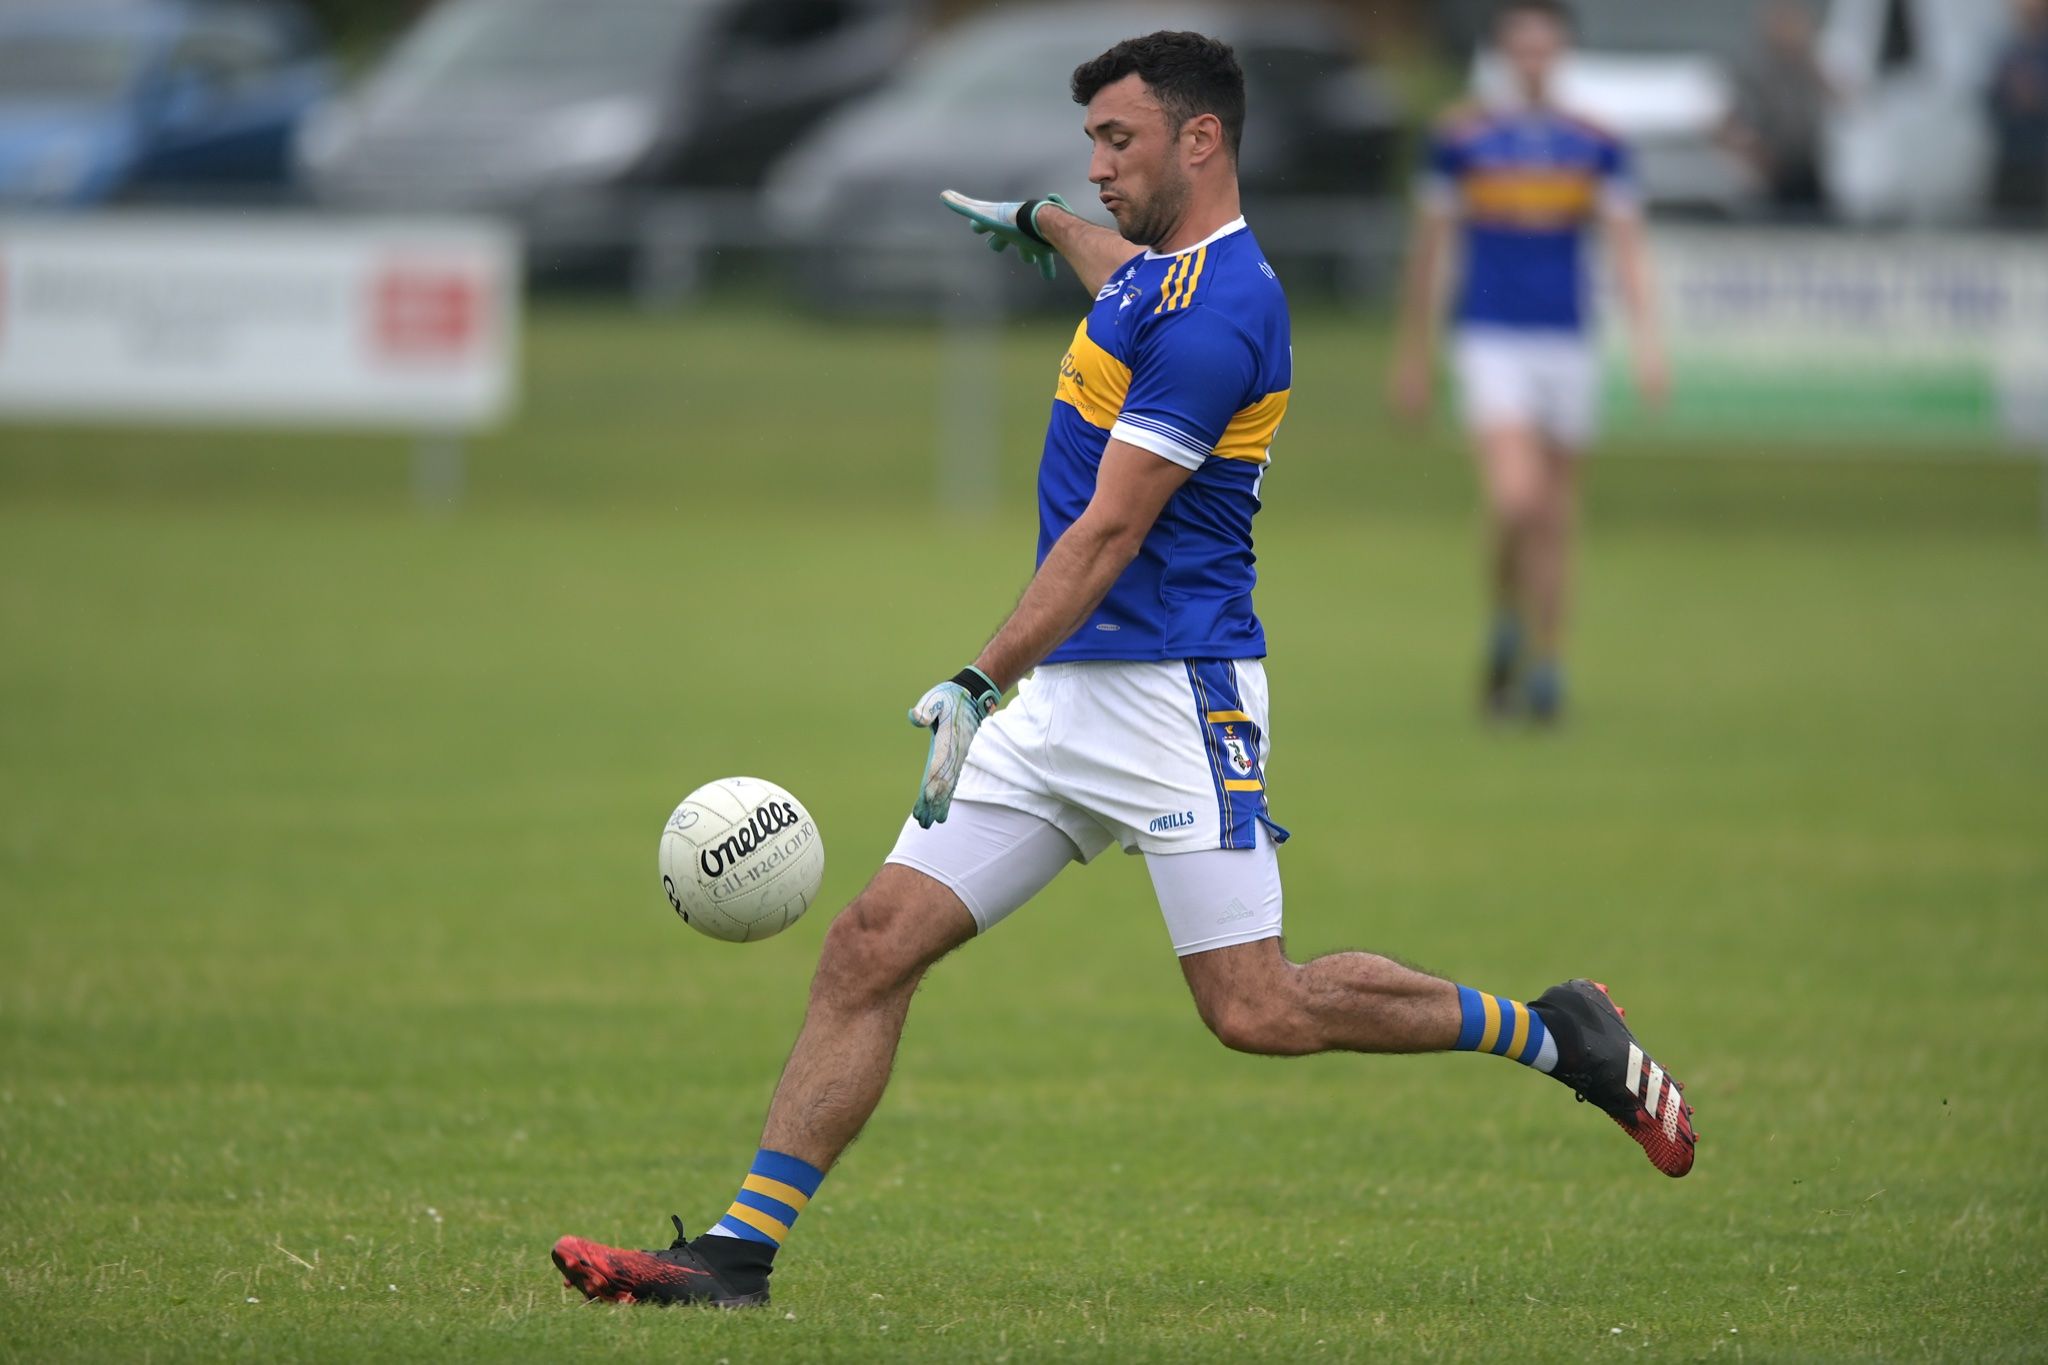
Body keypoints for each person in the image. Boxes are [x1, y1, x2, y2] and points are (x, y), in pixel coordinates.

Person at [551, 28, 1695, 1310]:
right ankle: (734, 1259)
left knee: (1253, 1008)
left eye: (1116, 141)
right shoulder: (1158, 277)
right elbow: (1115, 283)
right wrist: (1043, 220)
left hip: (1173, 697)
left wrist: (976, 679)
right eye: (1087, 142)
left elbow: (1108, 532)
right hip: (1064, 702)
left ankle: (1554, 1034)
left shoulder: (1222, 318)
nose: (1095, 166)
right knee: (870, 946)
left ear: (1198, 140)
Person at [1389, 0, 1667, 724]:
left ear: (1563, 54)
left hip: (1568, 342)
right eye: (1523, 50)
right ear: (1503, 57)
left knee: (1556, 514)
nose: (1535, 62)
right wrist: (1413, 355)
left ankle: (1546, 662)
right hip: (1490, 339)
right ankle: (1506, 618)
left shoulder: (1595, 142)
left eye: (1547, 49)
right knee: (1516, 498)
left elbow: (1627, 247)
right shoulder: (1466, 138)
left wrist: (1647, 344)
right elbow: (1430, 252)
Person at [1723, 1, 1839, 215]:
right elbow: (1732, 122)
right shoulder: (1755, 70)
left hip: (1810, 166)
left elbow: (1844, 100)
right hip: (1773, 169)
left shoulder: (1810, 65)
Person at [1990, 0, 2048, 219]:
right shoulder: (2009, 51)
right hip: (2010, 157)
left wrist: (2037, 95)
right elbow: (1993, 99)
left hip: (2040, 159)